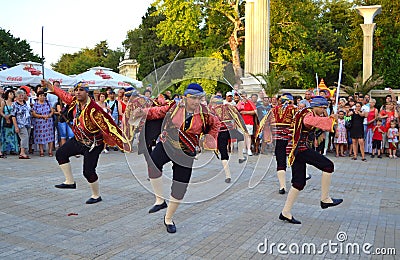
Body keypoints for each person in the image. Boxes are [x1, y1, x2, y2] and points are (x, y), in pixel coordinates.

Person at [133, 83, 220, 233]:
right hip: (168, 145)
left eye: (199, 98)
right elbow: (157, 112)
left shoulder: (205, 113)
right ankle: (160, 200)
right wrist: (142, 112)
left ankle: (168, 218)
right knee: (153, 162)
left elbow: (216, 124)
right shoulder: (175, 106)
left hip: (187, 152)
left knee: (180, 188)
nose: (196, 101)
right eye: (193, 98)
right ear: (185, 97)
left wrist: (209, 139)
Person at [43, 80, 131, 204]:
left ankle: (96, 195)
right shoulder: (74, 102)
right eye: (76, 90)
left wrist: (124, 143)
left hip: (93, 144)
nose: (78, 93)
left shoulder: (94, 110)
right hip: (78, 140)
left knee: (88, 172)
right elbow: (64, 95)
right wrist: (50, 86)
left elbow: (110, 126)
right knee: (61, 154)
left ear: (87, 92)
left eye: (81, 90)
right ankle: (70, 182)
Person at [280, 96, 343, 224]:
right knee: (328, 166)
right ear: (316, 106)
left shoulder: (307, 112)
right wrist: (330, 120)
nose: (323, 110)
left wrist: (327, 119)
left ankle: (285, 213)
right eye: (323, 108)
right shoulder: (307, 114)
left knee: (299, 183)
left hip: (295, 149)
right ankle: (325, 199)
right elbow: (310, 122)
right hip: (299, 149)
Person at [258, 93, 297, 194]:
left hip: (278, 139)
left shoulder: (273, 110)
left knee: (280, 161)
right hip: (290, 138)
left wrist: (268, 137)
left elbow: (264, 123)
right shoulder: (294, 110)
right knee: (293, 159)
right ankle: (295, 180)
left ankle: (282, 186)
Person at [209, 95, 247, 183]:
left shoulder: (212, 110)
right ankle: (240, 156)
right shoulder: (228, 107)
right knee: (241, 137)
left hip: (220, 133)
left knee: (224, 154)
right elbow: (238, 111)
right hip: (230, 130)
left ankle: (228, 175)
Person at [32, 91, 55, 157]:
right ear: (38, 97)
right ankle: (41, 151)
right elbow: (34, 113)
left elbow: (52, 110)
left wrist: (49, 115)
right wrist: (42, 116)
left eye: (43, 95)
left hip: (48, 122)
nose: (42, 97)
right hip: (39, 122)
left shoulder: (48, 103)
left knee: (50, 136)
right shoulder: (35, 104)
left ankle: (50, 151)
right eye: (40, 95)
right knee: (40, 136)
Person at [11, 89, 32, 159]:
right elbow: (13, 116)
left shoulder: (25, 103)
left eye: (22, 95)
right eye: (19, 96)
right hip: (20, 124)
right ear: (16, 97)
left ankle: (23, 151)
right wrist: (16, 126)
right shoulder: (14, 105)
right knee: (24, 137)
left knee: (26, 137)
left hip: (28, 123)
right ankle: (22, 153)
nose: (21, 97)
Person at [236, 91, 256, 156]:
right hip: (242, 122)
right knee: (244, 135)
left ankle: (249, 149)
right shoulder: (240, 103)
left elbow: (254, 111)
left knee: (248, 135)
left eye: (244, 96)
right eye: (242, 96)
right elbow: (236, 110)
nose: (243, 98)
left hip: (249, 121)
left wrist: (246, 112)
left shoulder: (250, 103)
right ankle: (244, 148)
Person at [1, 89, 19, 156]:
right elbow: (1, 111)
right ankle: (4, 149)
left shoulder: (14, 103)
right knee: (5, 134)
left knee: (12, 134)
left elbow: (15, 112)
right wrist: (5, 116)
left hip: (12, 119)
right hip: (5, 119)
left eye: (12, 94)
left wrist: (10, 115)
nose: (12, 95)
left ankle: (13, 149)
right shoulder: (4, 102)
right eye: (10, 93)